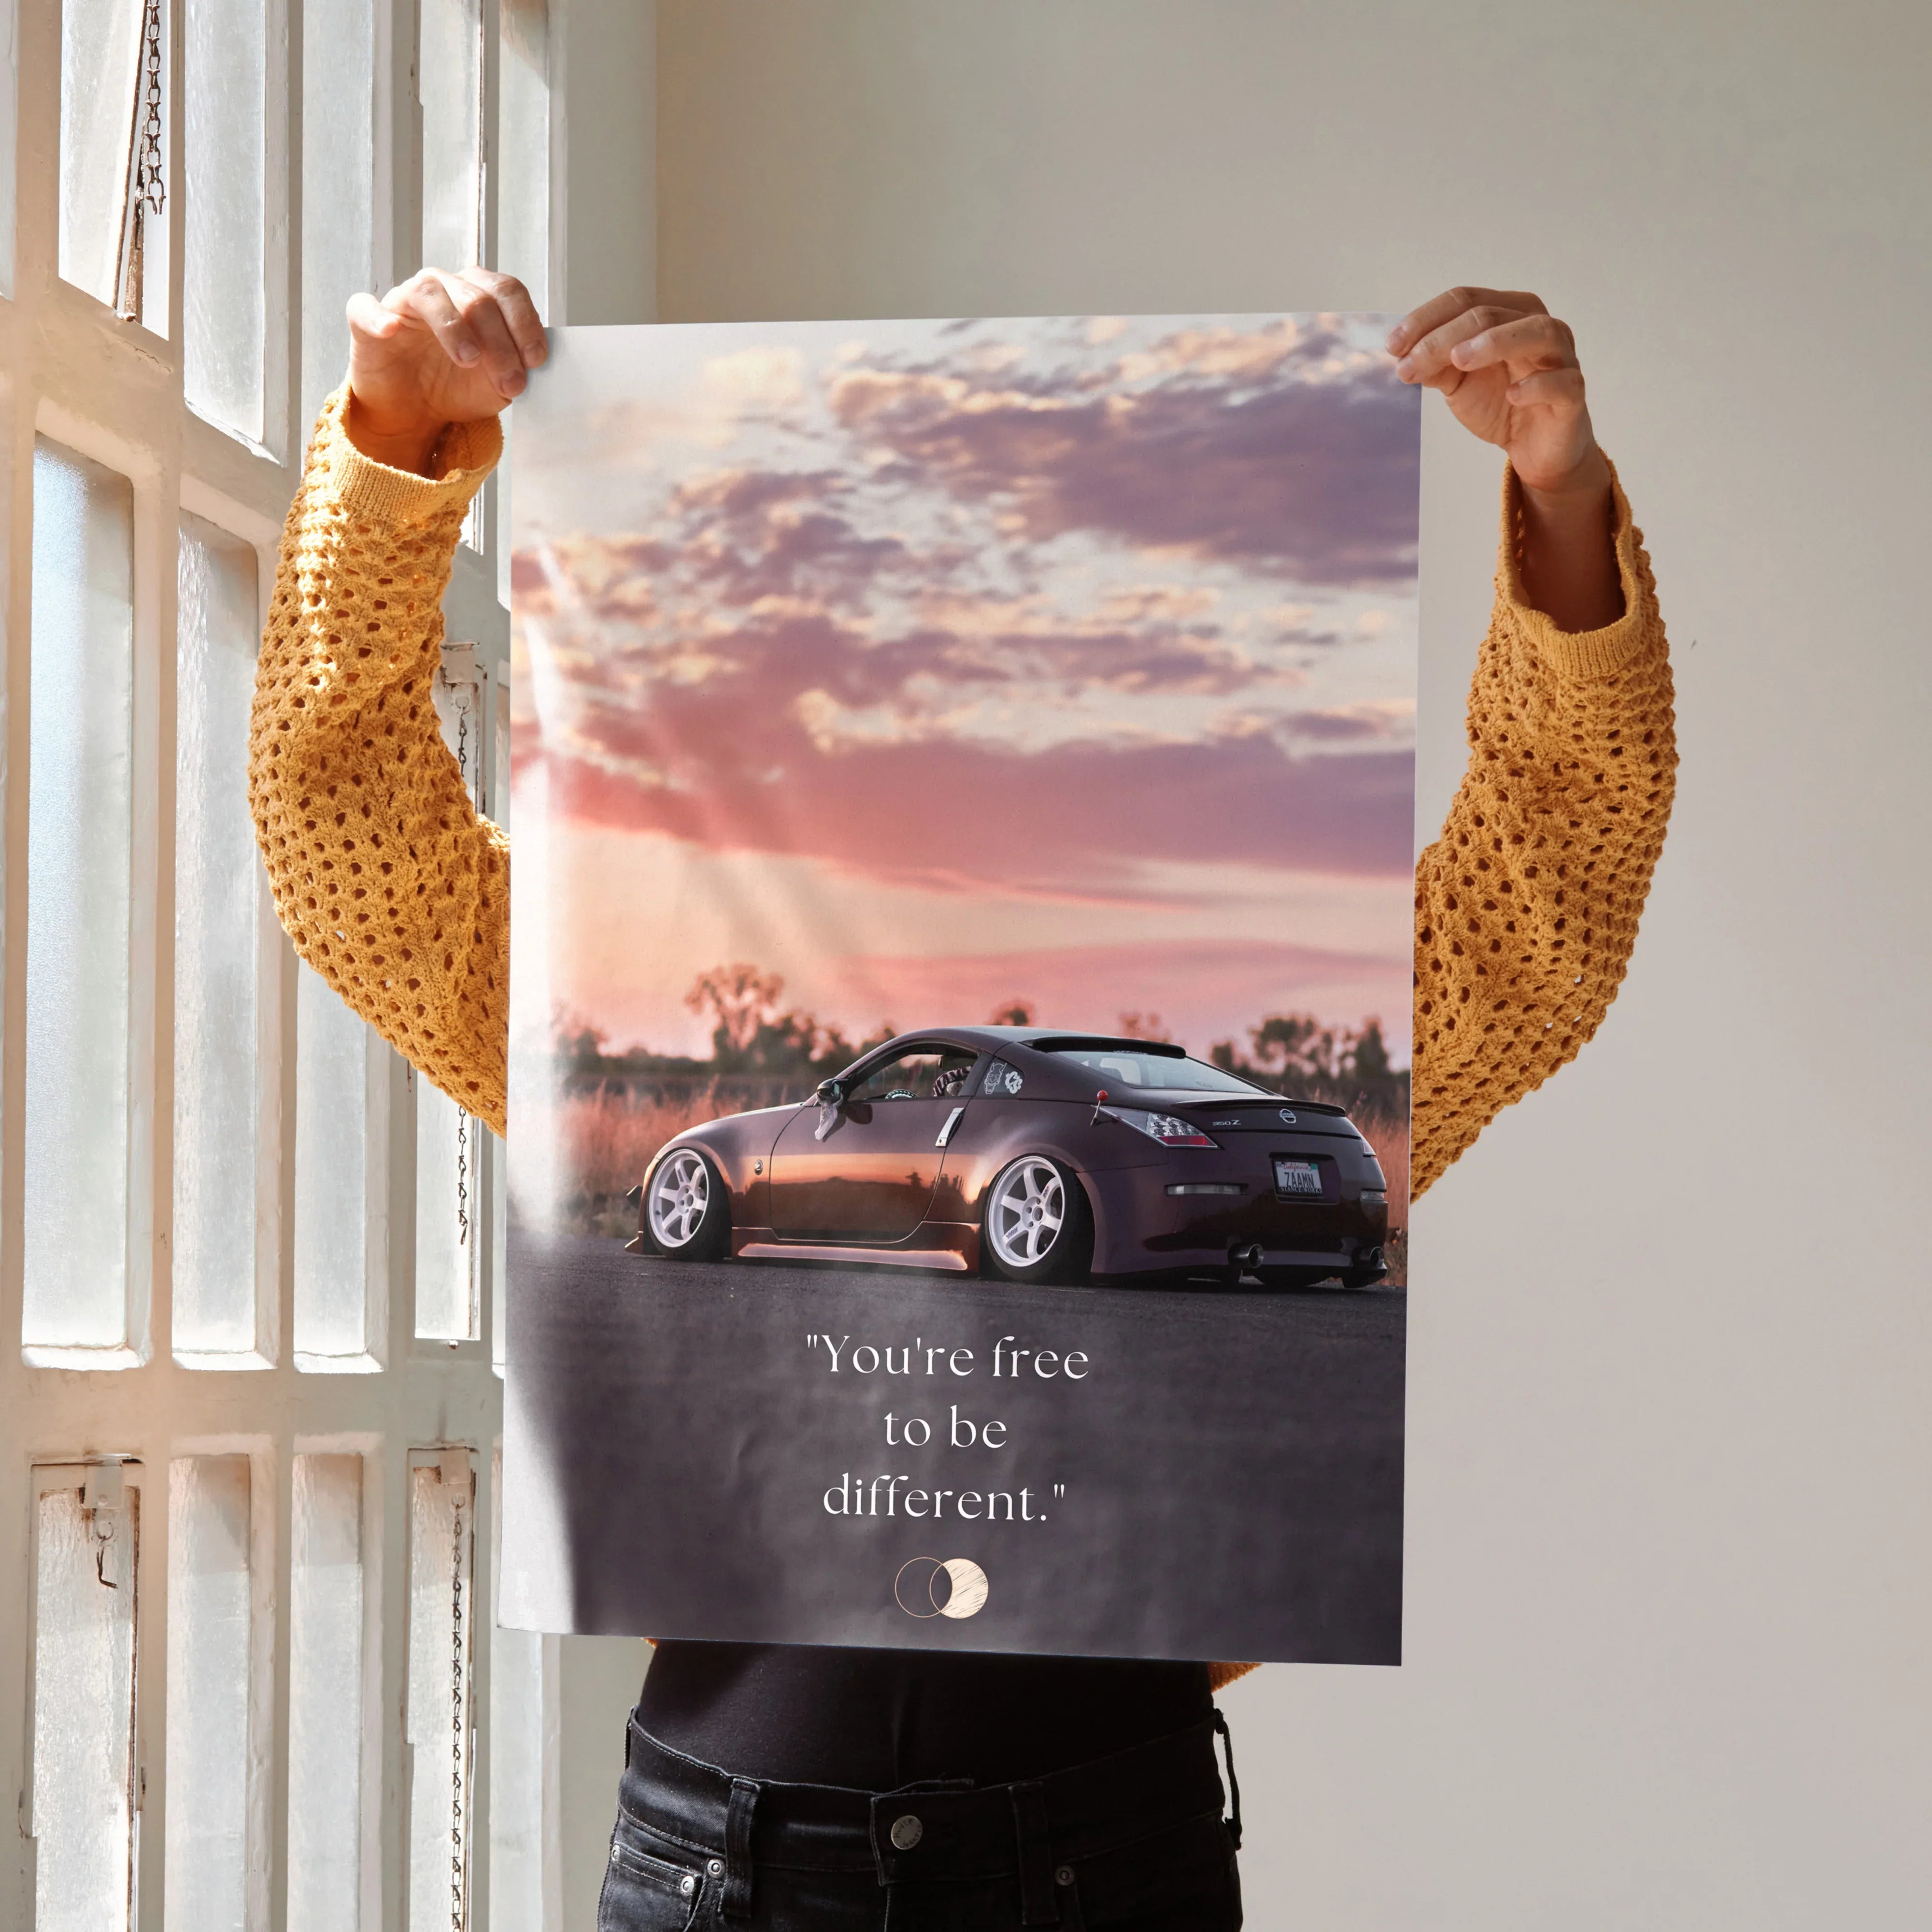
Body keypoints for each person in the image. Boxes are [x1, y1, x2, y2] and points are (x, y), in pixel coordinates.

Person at [249, 270, 1675, 1929]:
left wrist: (1560, 498)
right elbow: (344, 835)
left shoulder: (1251, 1043)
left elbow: (1549, 894)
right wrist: (392, 446)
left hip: (1103, 1850)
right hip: (728, 1863)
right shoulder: (616, 998)